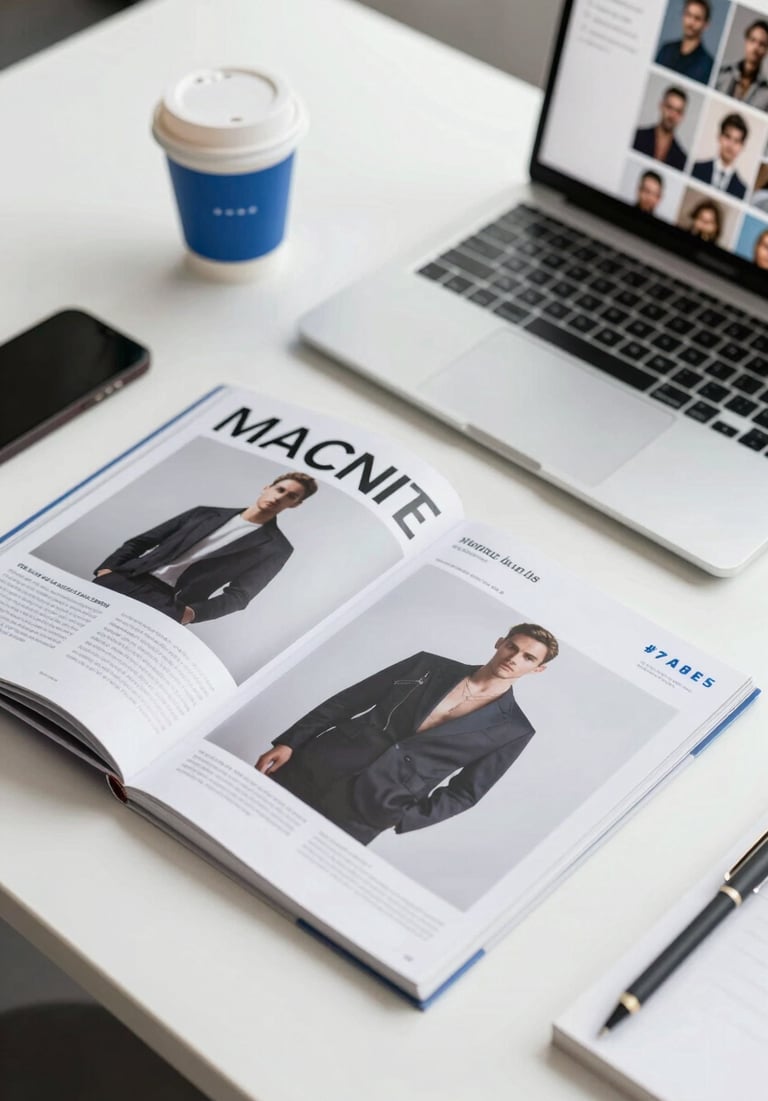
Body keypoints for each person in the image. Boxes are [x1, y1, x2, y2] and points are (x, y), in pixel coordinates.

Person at [256, 623, 559, 845]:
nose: (514, 658)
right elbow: (348, 701)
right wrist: (290, 741)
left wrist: (403, 817)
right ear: (499, 642)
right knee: (248, 824)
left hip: (371, 808)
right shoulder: (427, 665)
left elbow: (465, 793)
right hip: (315, 765)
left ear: (538, 669)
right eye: (512, 648)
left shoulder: (514, 730)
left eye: (529, 658)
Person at [92, 471, 318, 623]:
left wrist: (190, 614)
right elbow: (141, 542)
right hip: (126, 578)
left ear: (296, 504)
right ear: (267, 487)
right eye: (280, 489)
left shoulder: (277, 548)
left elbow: (239, 597)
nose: (281, 497)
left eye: (291, 497)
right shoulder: (204, 513)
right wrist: (108, 570)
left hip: (168, 602)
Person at [655, 0, 715, 84]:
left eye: (697, 18)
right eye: (688, 15)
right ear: (683, 16)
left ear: (705, 25)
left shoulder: (708, 65)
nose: (691, 22)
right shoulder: (666, 49)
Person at [692, 113, 749, 198]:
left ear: (742, 146)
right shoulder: (696, 169)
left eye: (737, 141)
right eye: (727, 137)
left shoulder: (743, 191)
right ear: (719, 137)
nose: (730, 145)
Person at [715, 19, 768, 109]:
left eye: (762, 44)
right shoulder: (722, 72)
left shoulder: (766, 91)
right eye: (752, 40)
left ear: (766, 50)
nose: (756, 47)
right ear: (746, 41)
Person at [633, 86, 689, 169]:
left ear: (682, 116)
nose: (672, 115)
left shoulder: (682, 158)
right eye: (669, 107)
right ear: (661, 106)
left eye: (678, 111)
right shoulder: (637, 136)